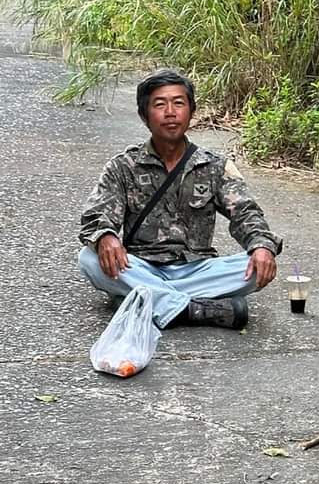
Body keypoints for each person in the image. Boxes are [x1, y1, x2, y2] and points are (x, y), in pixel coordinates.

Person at [78, 69, 281, 331]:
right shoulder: (123, 166)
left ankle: (143, 298)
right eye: (160, 104)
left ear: (191, 111)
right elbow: (97, 216)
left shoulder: (214, 166)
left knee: (254, 267)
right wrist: (106, 237)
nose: (170, 112)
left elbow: (246, 213)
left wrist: (261, 246)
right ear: (144, 115)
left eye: (178, 103)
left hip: (197, 269)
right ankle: (190, 308)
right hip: (140, 265)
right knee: (89, 258)